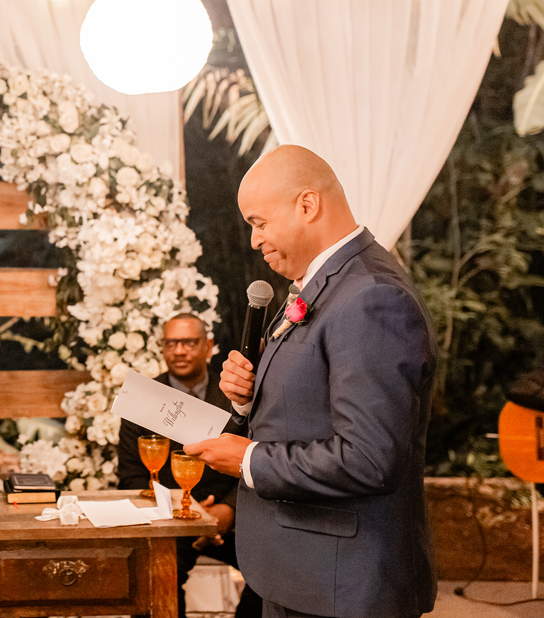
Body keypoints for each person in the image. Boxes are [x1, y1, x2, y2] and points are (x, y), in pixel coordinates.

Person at [185, 145, 437, 618]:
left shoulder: (372, 296)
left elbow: (369, 458)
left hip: (344, 582)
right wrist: (247, 399)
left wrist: (249, 459)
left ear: (307, 205)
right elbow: (303, 409)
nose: (255, 240)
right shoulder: (319, 286)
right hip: (305, 572)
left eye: (259, 222)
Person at [117, 313, 261, 618]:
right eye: (171, 343)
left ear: (208, 346)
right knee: (152, 585)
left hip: (230, 520)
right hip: (169, 524)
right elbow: (131, 477)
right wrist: (181, 514)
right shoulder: (141, 400)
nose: (179, 351)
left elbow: (258, 457)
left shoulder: (237, 395)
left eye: (189, 342)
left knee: (274, 574)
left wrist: (227, 511)